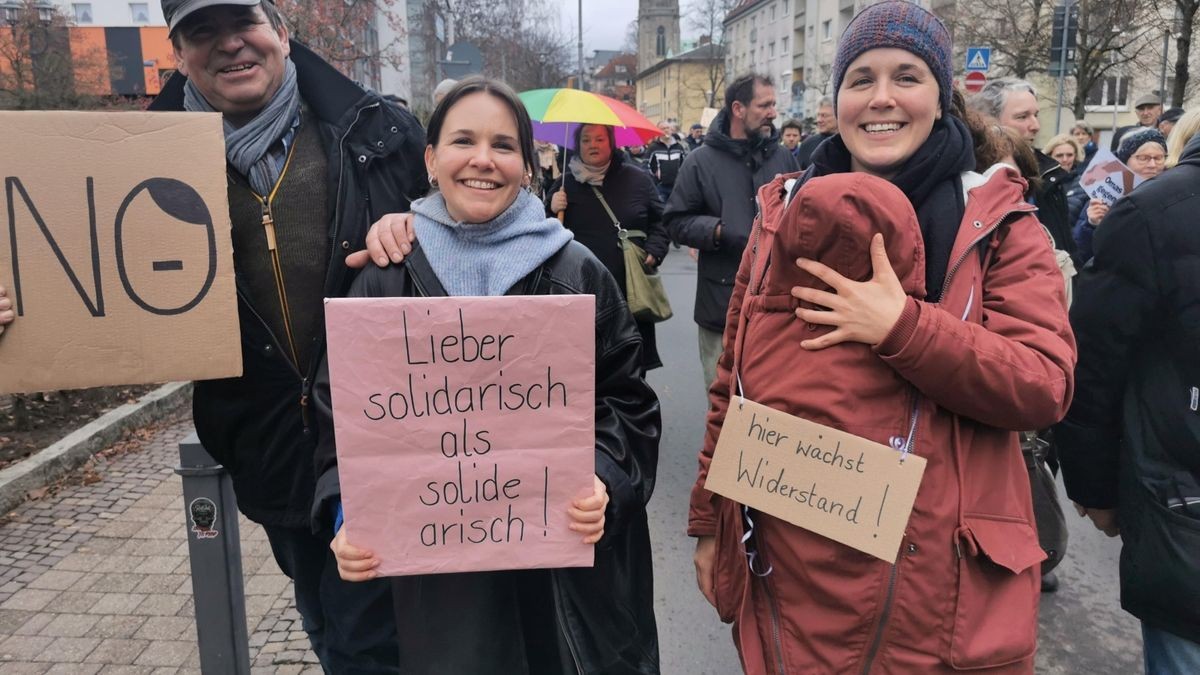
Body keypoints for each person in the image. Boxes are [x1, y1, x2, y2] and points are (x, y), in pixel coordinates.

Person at [689, 2, 1075, 671]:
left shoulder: (1001, 224)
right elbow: (734, 380)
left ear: (942, 95)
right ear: (838, 98)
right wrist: (706, 520)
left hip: (937, 591)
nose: (882, 98)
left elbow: (1043, 384)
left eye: (907, 76)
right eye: (860, 79)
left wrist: (903, 327)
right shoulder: (783, 213)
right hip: (802, 575)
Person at [316, 76, 661, 674]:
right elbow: (339, 420)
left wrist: (605, 476)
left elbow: (628, 402)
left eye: (504, 145)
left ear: (527, 166)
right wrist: (348, 513)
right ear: (430, 158)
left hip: (561, 578)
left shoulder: (577, 271)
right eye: (463, 141)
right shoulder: (385, 276)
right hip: (437, 586)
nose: (483, 160)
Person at [146, 0, 428, 670]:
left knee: (370, 637)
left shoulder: (381, 131)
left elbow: (474, 229)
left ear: (280, 30)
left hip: (381, 440)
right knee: (322, 614)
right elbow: (89, 284)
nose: (229, 45)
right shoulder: (142, 170)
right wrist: (27, 310)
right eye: (202, 32)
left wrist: (428, 231)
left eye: (241, 22)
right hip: (267, 446)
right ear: (179, 54)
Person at [1055, 131, 1200, 675]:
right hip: (1181, 507)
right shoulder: (1152, 213)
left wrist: (1095, 489)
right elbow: (1095, 356)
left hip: (1179, 508)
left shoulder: (1155, 210)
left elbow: (1093, 357)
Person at [664, 73, 798, 390]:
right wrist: (721, 230)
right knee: (723, 400)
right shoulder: (700, 161)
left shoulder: (782, 156)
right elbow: (675, 220)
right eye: (764, 105)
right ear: (738, 109)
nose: (773, 113)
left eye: (774, 104)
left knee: (774, 405)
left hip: (778, 308)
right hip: (720, 305)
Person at [547, 123, 671, 373]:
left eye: (600, 139)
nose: (592, 145)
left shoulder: (637, 179)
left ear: (611, 142)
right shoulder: (563, 186)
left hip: (629, 287)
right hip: (579, 289)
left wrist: (655, 251)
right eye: (586, 140)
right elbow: (545, 235)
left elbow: (662, 221)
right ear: (577, 145)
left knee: (632, 364)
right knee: (583, 367)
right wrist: (550, 208)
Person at [969, 78, 1075, 263]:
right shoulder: (971, 182)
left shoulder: (1050, 176)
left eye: (1036, 115)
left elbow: (1066, 247)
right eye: (1022, 117)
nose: (1035, 126)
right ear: (989, 121)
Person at [1074, 128, 1166, 265]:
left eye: (1159, 158)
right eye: (1143, 158)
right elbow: (1082, 253)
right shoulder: (1104, 196)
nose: (1152, 165)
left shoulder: (1172, 192)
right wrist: (1092, 224)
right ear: (1125, 160)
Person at [1043, 133, 1088, 228]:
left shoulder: (1084, 184)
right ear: (1049, 156)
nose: (1065, 159)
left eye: (1069, 155)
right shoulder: (1040, 183)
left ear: (1075, 156)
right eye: (1059, 155)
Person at [645, 119, 688, 203]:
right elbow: (645, 166)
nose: (666, 130)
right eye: (663, 128)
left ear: (671, 130)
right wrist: (654, 180)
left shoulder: (679, 147)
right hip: (660, 188)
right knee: (662, 212)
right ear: (658, 131)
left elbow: (685, 166)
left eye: (668, 128)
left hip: (676, 187)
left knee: (676, 211)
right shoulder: (653, 147)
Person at [793, 96, 836, 168]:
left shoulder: (849, 143)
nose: (819, 120)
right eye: (818, 115)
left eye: (824, 116)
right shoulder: (807, 145)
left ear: (838, 116)